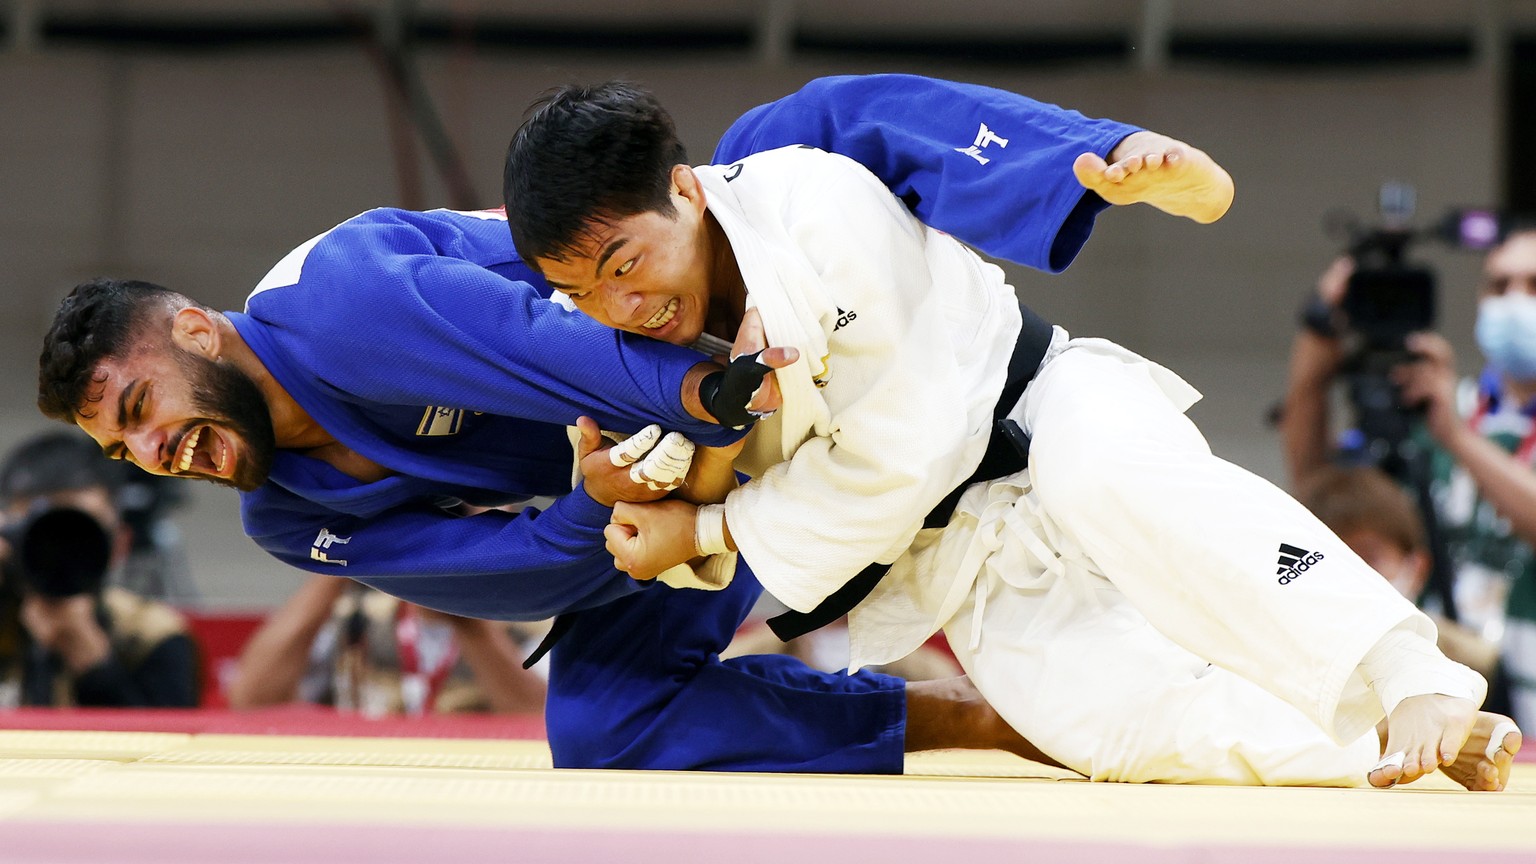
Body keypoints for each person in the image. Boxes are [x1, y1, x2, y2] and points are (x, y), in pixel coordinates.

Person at [36, 74, 1161, 774]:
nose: (152, 455)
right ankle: (966, 720)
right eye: (121, 451)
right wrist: (604, 505)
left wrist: (692, 394)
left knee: (811, 128)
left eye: (141, 412)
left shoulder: (336, 301)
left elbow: (538, 342)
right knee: (604, 725)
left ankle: (1082, 160)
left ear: (194, 330)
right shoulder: (288, 515)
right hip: (647, 475)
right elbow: (504, 575)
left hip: (699, 336)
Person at [502, 80, 1521, 789]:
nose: (617, 305)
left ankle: (1409, 676)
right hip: (954, 566)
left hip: (1039, 413)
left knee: (1109, 478)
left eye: (626, 263)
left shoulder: (809, 200)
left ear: (682, 192)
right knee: (1114, 732)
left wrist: (713, 537)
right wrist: (663, 529)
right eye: (579, 290)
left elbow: (903, 454)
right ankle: (1405, 747)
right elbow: (675, 539)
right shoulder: (621, 365)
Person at [1282, 227, 1536, 734]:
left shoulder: (1451, 425)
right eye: (1499, 285)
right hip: (1439, 695)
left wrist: (1458, 439)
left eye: (1533, 285)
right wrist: (1320, 333)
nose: (1515, 301)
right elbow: (1317, 484)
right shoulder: (1438, 406)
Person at [0, 430, 199, 708]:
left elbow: (168, 745)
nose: (58, 549)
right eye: (39, 530)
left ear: (119, 543)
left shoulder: (149, 635)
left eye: (79, 531)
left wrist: (92, 659)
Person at [226, 574, 548, 716]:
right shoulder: (354, 617)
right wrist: (341, 555)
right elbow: (251, 697)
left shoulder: (534, 617)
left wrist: (470, 618)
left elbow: (538, 719)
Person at [1297, 464, 1502, 679]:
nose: (1352, 576)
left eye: (1368, 557)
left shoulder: (1475, 666)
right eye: (1333, 561)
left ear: (1417, 569)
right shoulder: (1289, 670)